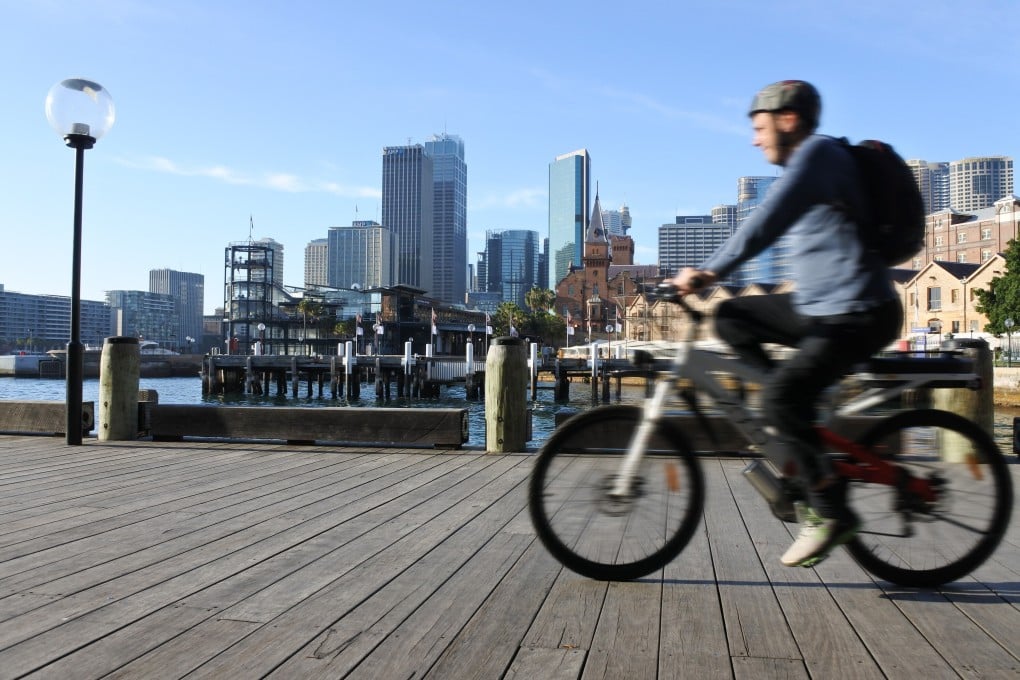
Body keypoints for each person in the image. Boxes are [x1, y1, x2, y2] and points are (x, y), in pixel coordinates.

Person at [671, 80, 903, 568]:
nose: (755, 139)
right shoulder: (811, 165)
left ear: (788, 120)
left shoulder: (817, 156)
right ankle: (785, 416)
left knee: (780, 398)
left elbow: (765, 223)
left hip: (858, 312)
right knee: (732, 314)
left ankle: (829, 509)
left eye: (759, 127)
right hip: (820, 307)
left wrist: (710, 271)